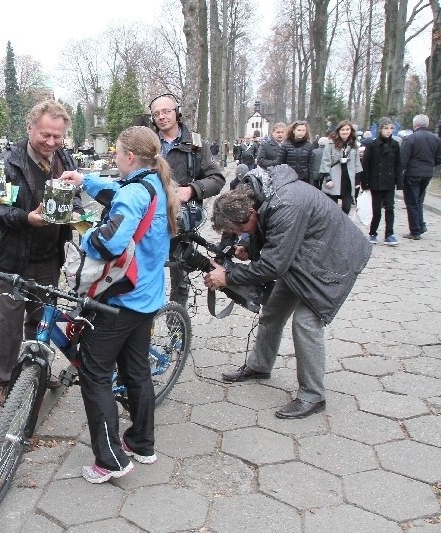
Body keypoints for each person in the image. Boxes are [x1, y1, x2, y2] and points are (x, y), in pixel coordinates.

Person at [59, 126, 179, 483]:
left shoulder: (134, 194)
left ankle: (110, 461)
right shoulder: (154, 183)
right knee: (136, 370)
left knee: (94, 374)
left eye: (117, 152)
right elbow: (118, 191)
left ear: (129, 157)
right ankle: (142, 444)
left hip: (121, 299)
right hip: (148, 296)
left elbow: (110, 243)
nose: (114, 157)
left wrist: (86, 234)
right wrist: (85, 180)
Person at [206, 165, 371, 419]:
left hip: (334, 259)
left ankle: (313, 396)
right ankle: (260, 366)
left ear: (250, 212)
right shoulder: (261, 195)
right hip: (304, 257)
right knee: (272, 311)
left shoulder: (287, 205)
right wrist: (250, 246)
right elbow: (272, 234)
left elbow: (273, 265)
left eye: (241, 229)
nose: (240, 234)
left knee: (306, 323)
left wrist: (227, 277)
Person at [0, 100, 80, 406]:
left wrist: (77, 214)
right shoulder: (9, 162)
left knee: (42, 319)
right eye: (45, 135)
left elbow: (73, 199)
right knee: (8, 322)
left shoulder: (64, 158)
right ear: (30, 129)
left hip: (50, 254)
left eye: (58, 136)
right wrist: (26, 218)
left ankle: (36, 368)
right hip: (14, 256)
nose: (51, 142)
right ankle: (1, 379)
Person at [148, 94, 225, 306]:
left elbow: (217, 179)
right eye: (157, 114)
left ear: (177, 113)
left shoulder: (196, 145)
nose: (162, 117)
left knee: (179, 278)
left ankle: (176, 328)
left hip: (180, 222)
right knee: (145, 273)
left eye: (166, 111)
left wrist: (192, 190)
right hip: (148, 218)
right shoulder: (147, 143)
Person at [361, 117, 402, 245]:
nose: (388, 131)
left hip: (389, 181)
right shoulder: (372, 145)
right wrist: (365, 183)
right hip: (376, 181)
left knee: (390, 208)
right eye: (386, 128)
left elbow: (398, 164)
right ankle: (373, 232)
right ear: (380, 129)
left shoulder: (395, 145)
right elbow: (366, 165)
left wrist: (399, 182)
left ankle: (389, 233)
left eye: (390, 129)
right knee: (376, 209)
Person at [400, 114, 441, 240]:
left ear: (415, 125)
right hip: (427, 173)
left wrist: (399, 174)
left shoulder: (410, 139)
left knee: (412, 201)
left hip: (412, 174)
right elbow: (439, 158)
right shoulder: (436, 139)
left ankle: (415, 230)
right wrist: (430, 165)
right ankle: (421, 224)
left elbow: (403, 159)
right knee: (419, 200)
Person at [319, 120, 362, 214]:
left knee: (346, 208)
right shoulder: (330, 144)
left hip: (348, 180)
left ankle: (343, 226)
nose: (345, 132)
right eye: (342, 129)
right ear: (338, 131)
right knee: (333, 209)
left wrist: (358, 180)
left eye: (347, 129)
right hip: (334, 178)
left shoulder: (353, 145)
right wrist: (328, 178)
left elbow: (357, 163)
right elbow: (325, 162)